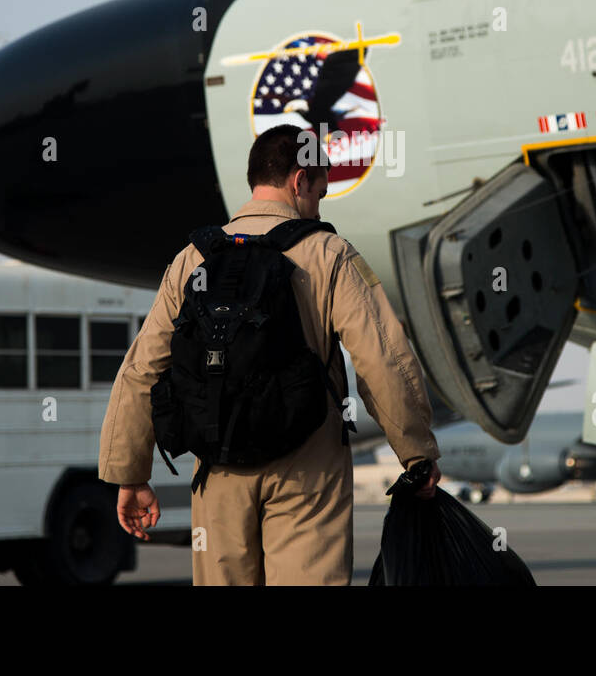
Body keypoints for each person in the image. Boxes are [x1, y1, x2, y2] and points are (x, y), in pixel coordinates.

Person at [98, 123, 442, 582]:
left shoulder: (192, 259)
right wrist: (416, 453)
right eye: (320, 190)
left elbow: (142, 368)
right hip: (308, 467)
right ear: (300, 181)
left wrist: (130, 473)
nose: (318, 203)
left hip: (218, 464)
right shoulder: (330, 253)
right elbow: (382, 359)